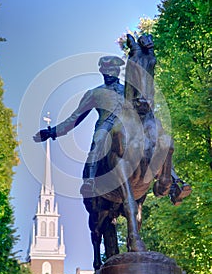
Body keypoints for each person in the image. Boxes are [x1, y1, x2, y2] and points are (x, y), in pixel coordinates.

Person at [33, 56, 191, 204]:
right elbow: (75, 118)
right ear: (102, 71)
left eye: (114, 71)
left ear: (117, 72)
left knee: (156, 141)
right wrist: (52, 132)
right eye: (107, 71)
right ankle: (89, 181)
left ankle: (174, 182)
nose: (111, 74)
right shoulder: (94, 93)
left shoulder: (127, 90)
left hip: (129, 126)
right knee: (98, 141)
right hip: (106, 126)